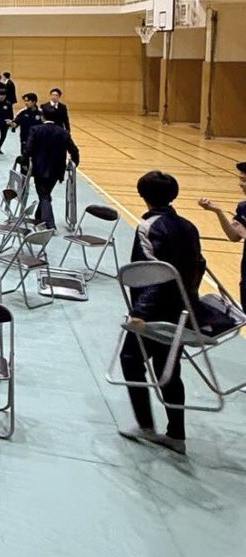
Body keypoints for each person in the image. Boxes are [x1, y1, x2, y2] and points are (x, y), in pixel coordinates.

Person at [119, 171, 207, 456]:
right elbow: (200, 264)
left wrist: (140, 313)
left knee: (131, 359)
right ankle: (176, 435)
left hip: (154, 312)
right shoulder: (189, 226)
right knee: (168, 368)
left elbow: (153, 272)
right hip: (183, 310)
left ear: (142, 194)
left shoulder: (147, 227)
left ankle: (145, 426)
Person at [197, 160, 246, 305]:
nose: (240, 184)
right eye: (240, 179)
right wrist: (218, 211)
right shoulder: (243, 207)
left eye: (244, 180)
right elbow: (233, 236)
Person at [27, 119, 79, 230]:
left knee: (44, 195)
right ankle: (39, 217)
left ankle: (50, 224)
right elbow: (74, 150)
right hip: (56, 169)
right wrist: (75, 163)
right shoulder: (63, 132)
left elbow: (28, 149)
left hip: (40, 169)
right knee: (45, 194)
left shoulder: (36, 130)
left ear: (43, 117)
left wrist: (24, 162)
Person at [12, 92, 43, 159]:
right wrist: (12, 124)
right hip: (25, 139)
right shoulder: (22, 112)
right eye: (25, 101)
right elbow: (15, 123)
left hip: (38, 140)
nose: (26, 103)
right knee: (24, 159)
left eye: (28, 101)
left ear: (34, 102)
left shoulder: (41, 113)